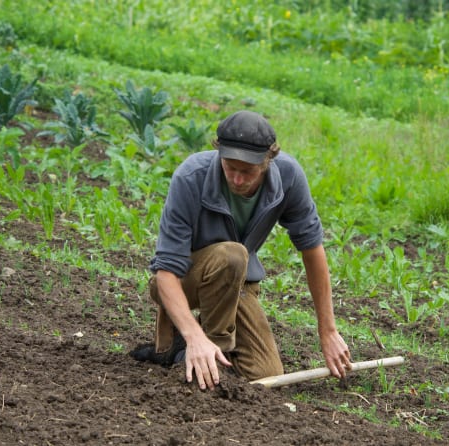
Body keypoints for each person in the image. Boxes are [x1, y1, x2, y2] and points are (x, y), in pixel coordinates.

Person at [131, 110, 352, 390]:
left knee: (264, 373)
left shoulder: (288, 176)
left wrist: (328, 331)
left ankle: (190, 353)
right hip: (184, 280)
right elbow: (165, 273)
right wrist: (196, 337)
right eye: (230, 168)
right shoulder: (191, 177)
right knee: (232, 255)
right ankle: (197, 343)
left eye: (247, 171)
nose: (236, 179)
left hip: (237, 281)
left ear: (268, 160)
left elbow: (312, 249)